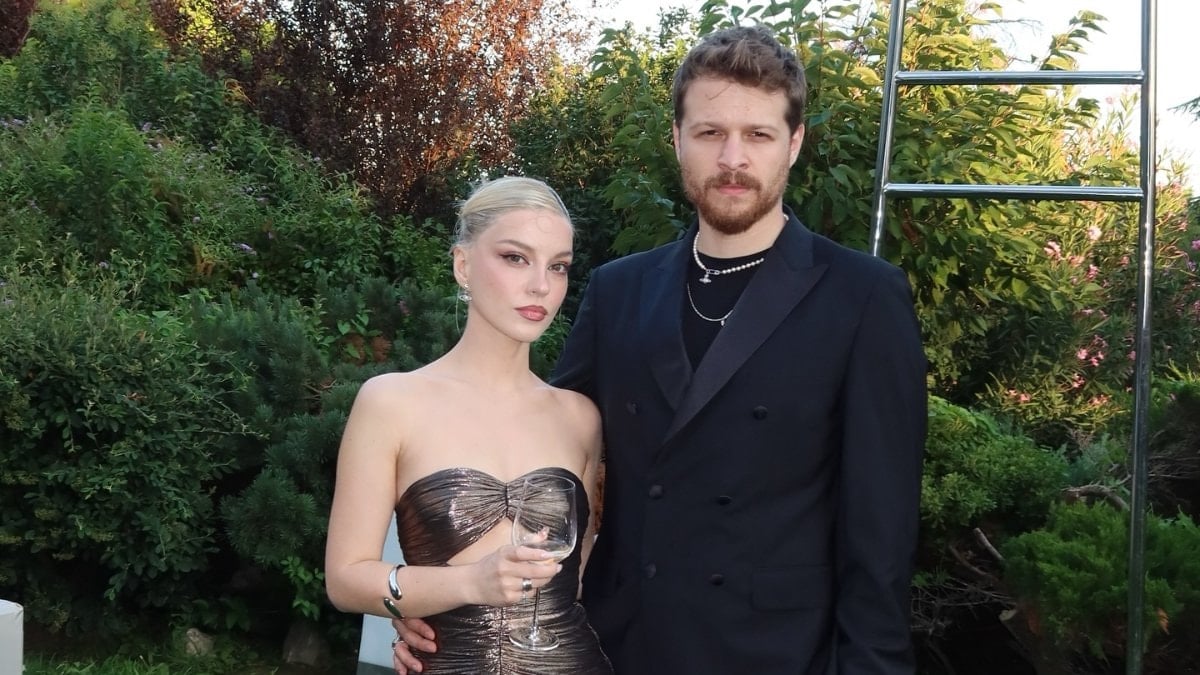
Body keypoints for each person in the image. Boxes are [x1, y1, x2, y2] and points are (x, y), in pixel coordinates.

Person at [392, 25, 927, 674]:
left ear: (794, 143)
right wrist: (442, 595)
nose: (732, 158)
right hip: (618, 647)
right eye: (710, 132)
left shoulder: (862, 297)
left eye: (758, 135)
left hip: (778, 655)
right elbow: (539, 458)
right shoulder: (618, 289)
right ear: (677, 139)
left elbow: (881, 533)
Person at [325, 175, 613, 674]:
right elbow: (346, 580)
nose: (541, 285)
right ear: (463, 265)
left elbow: (579, 580)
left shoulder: (579, 417)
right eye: (515, 258)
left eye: (558, 266)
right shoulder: (392, 402)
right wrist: (462, 585)